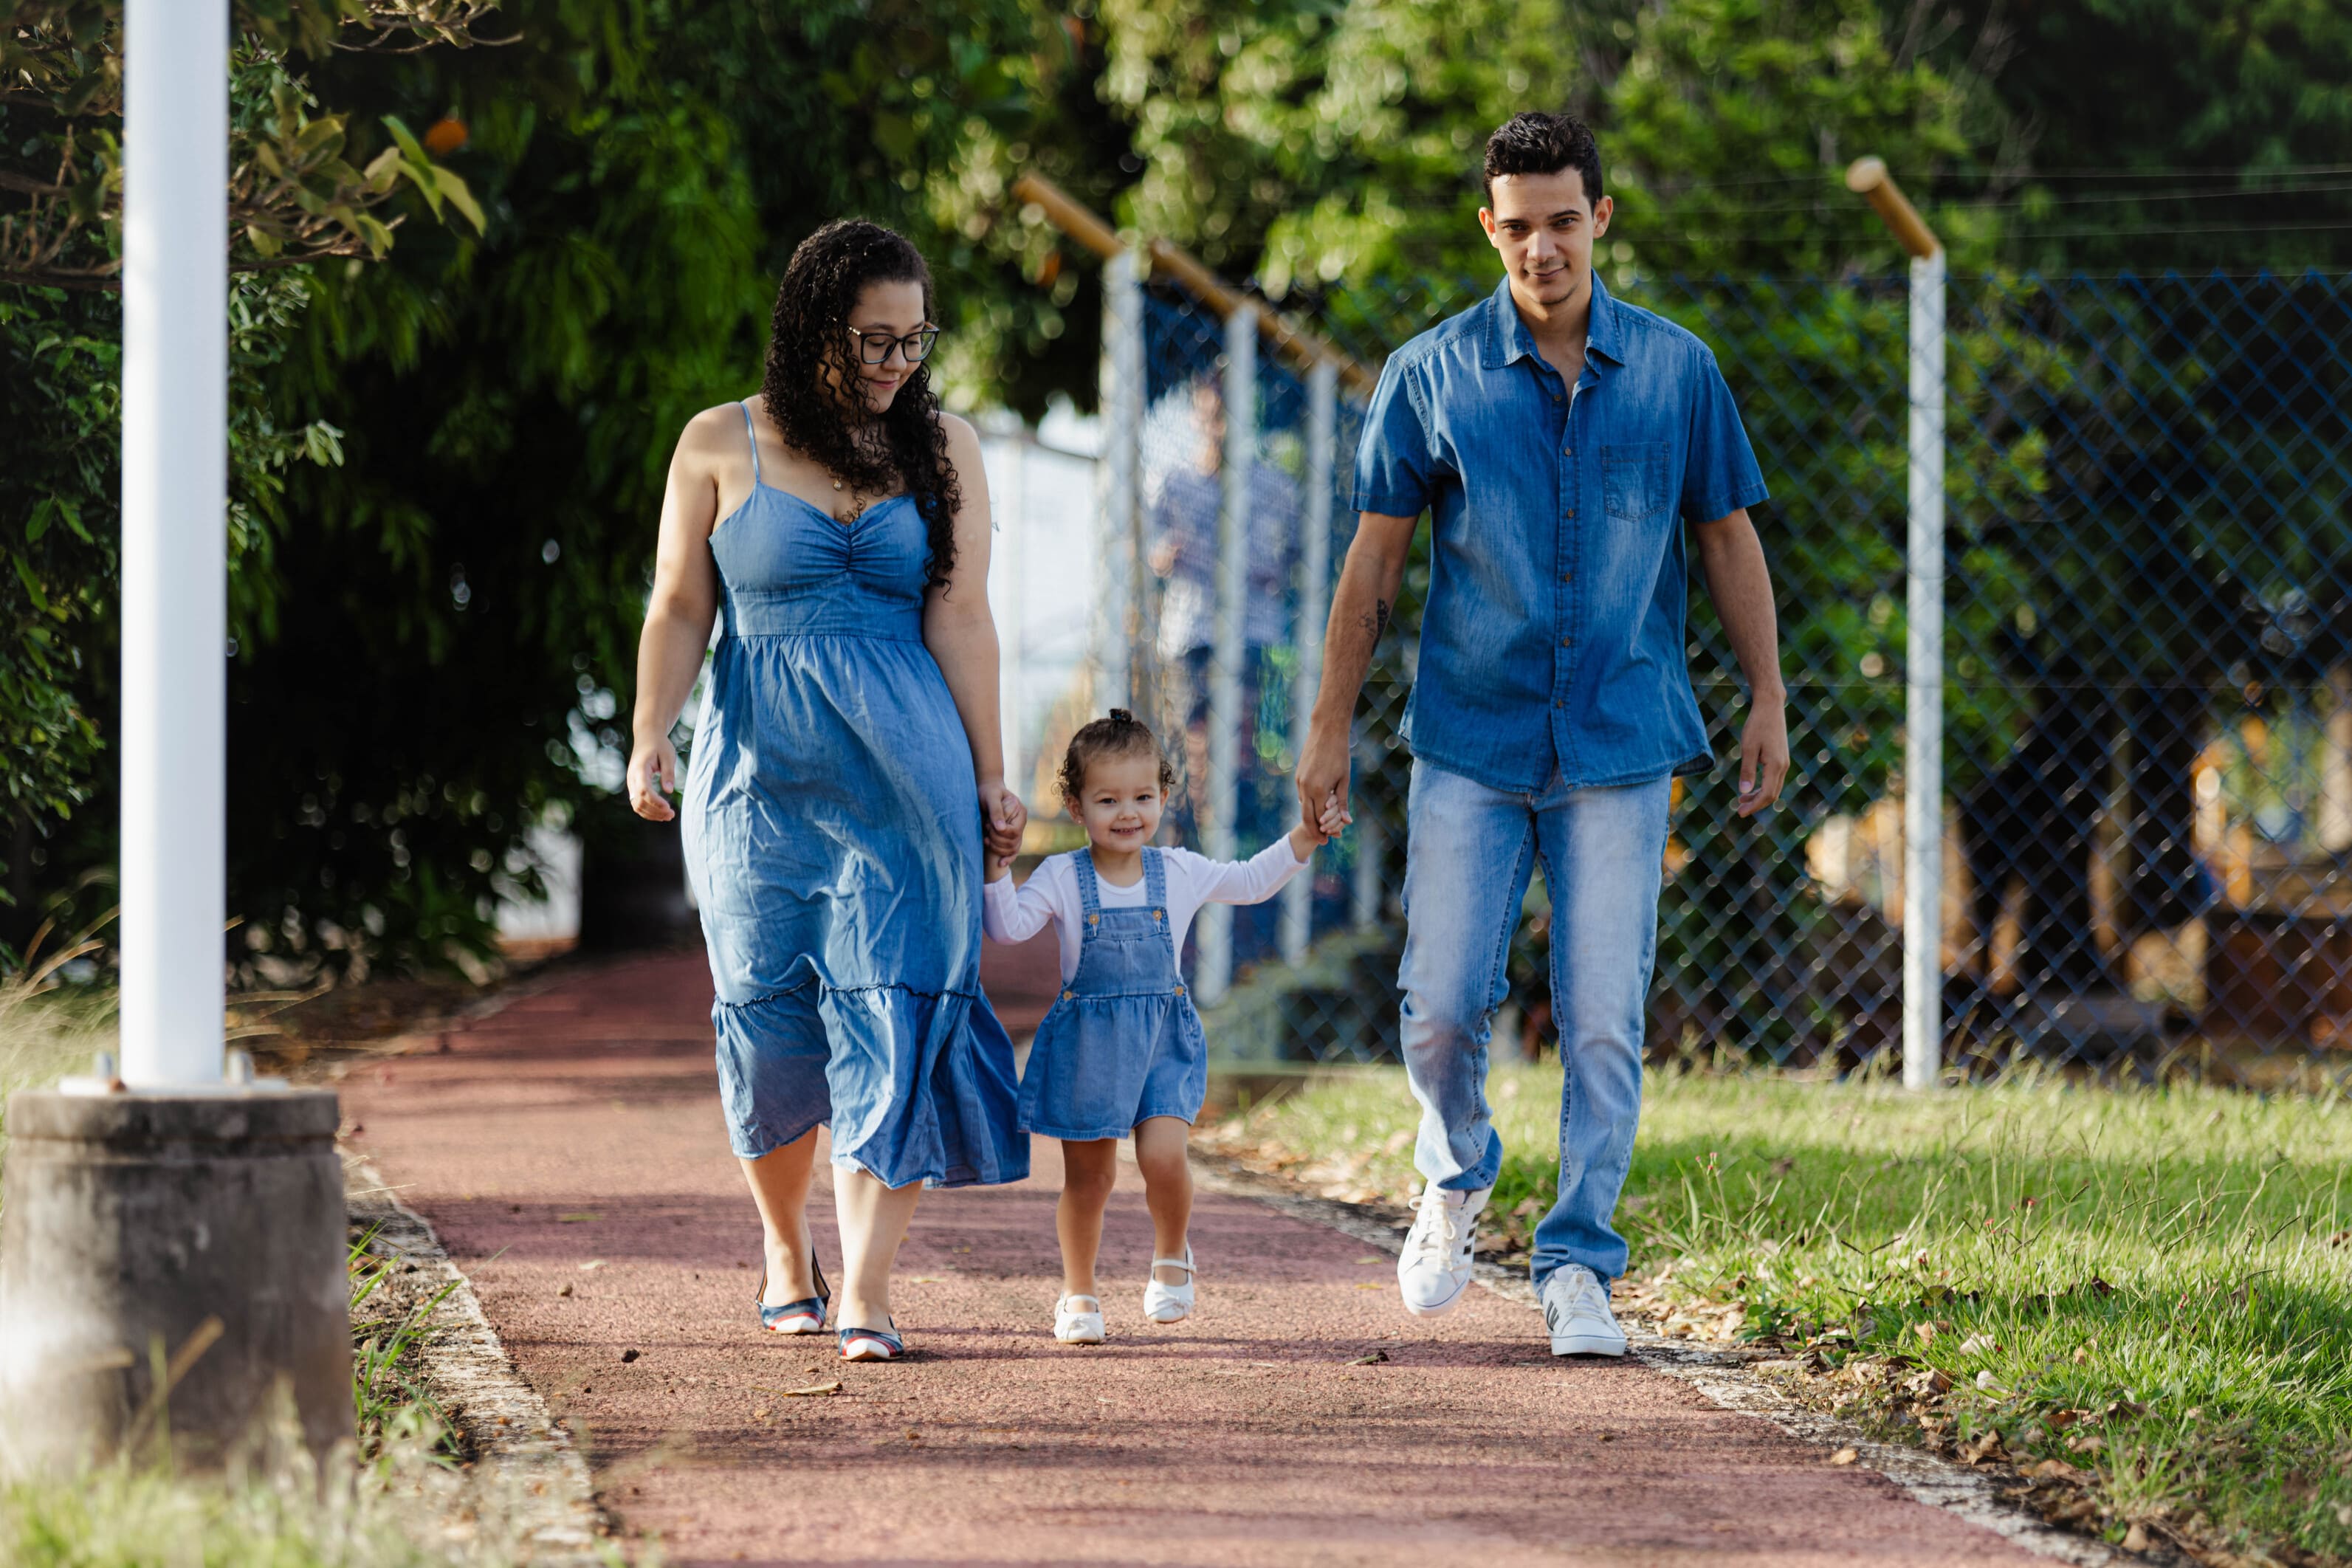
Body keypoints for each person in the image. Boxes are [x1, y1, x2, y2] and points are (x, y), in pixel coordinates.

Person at [1295, 113, 1790, 1357]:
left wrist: (1768, 695)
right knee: (1441, 1005)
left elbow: (1727, 537)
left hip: (1621, 741)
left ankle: (1578, 1261)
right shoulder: (1429, 374)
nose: (1542, 249)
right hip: (1472, 736)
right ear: (1490, 229)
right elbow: (1371, 571)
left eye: (1563, 221)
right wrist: (1323, 735)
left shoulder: (1679, 373)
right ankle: (1456, 1170)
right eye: (1516, 227)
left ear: (1600, 218)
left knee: (1603, 1011)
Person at [627, 219, 1029, 1364]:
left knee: (896, 1004)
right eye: (873, 340)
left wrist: (993, 775)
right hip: (758, 773)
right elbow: (678, 608)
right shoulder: (717, 442)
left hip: (909, 774)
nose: (898, 363)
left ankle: (866, 1287)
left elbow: (961, 616)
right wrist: (650, 734)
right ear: (812, 329)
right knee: (763, 1013)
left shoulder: (943, 446)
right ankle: (781, 1248)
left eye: (915, 340)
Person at [982, 709, 1340, 1344]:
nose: (1128, 813)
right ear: (1074, 804)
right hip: (1087, 1048)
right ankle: (1078, 1294)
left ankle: (1171, 1253)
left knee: (1163, 1157)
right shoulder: (1064, 877)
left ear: (1165, 797)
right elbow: (1008, 929)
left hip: (1162, 1043)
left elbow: (1253, 881)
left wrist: (1305, 838)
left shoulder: (1176, 870)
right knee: (1089, 1180)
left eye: (1143, 797)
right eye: (1108, 799)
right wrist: (995, 870)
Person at [1148, 377, 1301, 854]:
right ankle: (1200, 842)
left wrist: (1275, 573)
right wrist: (1166, 555)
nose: (1218, 427)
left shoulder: (1275, 487)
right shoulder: (1175, 482)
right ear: (1198, 418)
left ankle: (1228, 842)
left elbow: (1294, 554)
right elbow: (1151, 549)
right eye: (1209, 415)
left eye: (1226, 415)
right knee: (1197, 741)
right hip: (1192, 629)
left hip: (1249, 626)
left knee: (1236, 744)